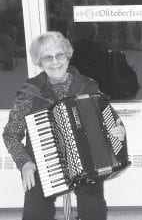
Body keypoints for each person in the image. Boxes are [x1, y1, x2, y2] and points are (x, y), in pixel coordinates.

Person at [2, 31, 126, 220]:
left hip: (86, 164)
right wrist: (24, 163)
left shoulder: (88, 86)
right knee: (35, 213)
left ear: (67, 55)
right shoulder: (29, 92)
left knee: (94, 209)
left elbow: (107, 122)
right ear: (39, 62)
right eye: (47, 57)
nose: (55, 62)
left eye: (59, 55)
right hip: (42, 165)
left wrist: (116, 131)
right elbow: (11, 133)